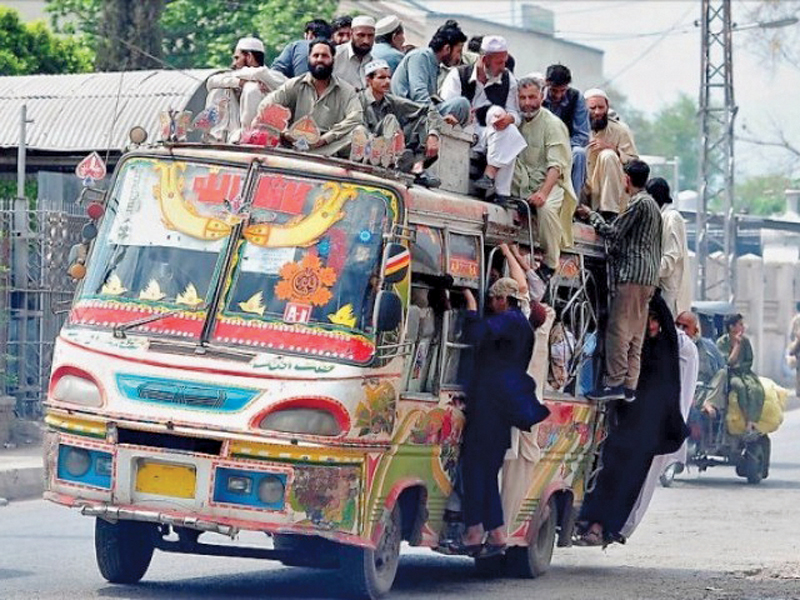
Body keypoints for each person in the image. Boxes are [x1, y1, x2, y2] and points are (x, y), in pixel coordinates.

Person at [576, 293, 688, 546]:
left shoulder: (666, 351)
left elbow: (670, 392)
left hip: (647, 430)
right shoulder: (635, 348)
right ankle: (589, 520)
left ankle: (603, 527)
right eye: (645, 318)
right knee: (607, 472)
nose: (649, 325)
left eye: (654, 319)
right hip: (625, 423)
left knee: (627, 480)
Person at [455, 278, 548, 557]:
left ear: (502, 300)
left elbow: (474, 333)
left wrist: (470, 306)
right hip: (501, 406)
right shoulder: (523, 325)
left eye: (492, 300)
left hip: (490, 405)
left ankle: (477, 530)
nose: (490, 305)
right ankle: (493, 533)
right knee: (485, 471)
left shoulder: (509, 321)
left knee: (475, 468)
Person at [576, 160, 662, 402]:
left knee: (618, 331)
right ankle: (629, 386)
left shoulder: (638, 203)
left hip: (632, 276)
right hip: (647, 279)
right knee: (636, 333)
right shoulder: (654, 206)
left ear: (626, 179)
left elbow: (613, 231)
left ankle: (614, 383)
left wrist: (591, 215)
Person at [621, 310, 698, 539]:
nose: (681, 330)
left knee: (645, 481)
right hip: (658, 424)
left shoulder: (685, 348)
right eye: (678, 324)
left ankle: (625, 527)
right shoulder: (672, 350)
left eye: (686, 327)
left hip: (667, 429)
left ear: (695, 332)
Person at [440, 35, 525, 201]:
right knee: (502, 124)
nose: (503, 67)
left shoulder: (508, 80)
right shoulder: (458, 76)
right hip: (460, 132)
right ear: (485, 59)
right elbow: (447, 109)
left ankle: (494, 183)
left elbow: (516, 114)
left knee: (507, 126)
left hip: (489, 133)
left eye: (504, 61)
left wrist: (509, 118)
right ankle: (497, 185)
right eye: (499, 62)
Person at [512, 76, 577, 279]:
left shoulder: (552, 124)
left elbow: (556, 166)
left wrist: (542, 193)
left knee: (547, 208)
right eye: (522, 98)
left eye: (532, 97)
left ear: (541, 97)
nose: (527, 103)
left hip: (551, 183)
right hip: (522, 182)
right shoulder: (516, 121)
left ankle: (550, 263)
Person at [256, 39, 363, 157]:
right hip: (293, 144)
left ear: (333, 60)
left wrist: (325, 139)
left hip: (327, 147)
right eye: (316, 55)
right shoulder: (294, 84)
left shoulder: (345, 90)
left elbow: (356, 117)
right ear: (309, 59)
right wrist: (285, 133)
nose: (320, 59)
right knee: (263, 124)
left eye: (325, 56)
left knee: (360, 132)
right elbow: (265, 106)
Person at [358, 59, 443, 183]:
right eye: (381, 78)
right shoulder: (359, 99)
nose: (387, 82)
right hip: (368, 150)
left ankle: (416, 168)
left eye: (389, 77)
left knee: (423, 120)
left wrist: (433, 135)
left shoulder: (392, 101)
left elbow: (429, 110)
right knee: (390, 120)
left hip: (392, 151)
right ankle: (394, 162)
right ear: (369, 80)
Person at [204, 37, 287, 143]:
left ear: (249, 56)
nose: (234, 63)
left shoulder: (274, 77)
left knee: (251, 89)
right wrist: (239, 83)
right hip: (234, 135)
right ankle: (216, 138)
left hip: (266, 137)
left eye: (237, 58)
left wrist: (249, 81)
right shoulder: (238, 77)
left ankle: (249, 137)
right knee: (218, 90)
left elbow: (260, 73)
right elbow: (211, 82)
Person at [390, 19, 470, 126]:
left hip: (418, 114)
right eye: (458, 51)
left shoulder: (433, 63)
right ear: (447, 48)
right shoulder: (421, 56)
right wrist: (437, 118)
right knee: (461, 104)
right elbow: (419, 95)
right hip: (407, 117)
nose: (459, 58)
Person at [583, 88, 638, 217]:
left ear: (607, 107)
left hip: (611, 193)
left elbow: (635, 164)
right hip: (585, 189)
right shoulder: (576, 130)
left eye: (601, 107)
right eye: (592, 108)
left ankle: (608, 212)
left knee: (607, 155)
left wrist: (613, 150)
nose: (597, 112)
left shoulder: (620, 130)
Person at [543, 64, 590, 195]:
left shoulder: (576, 98)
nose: (558, 95)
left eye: (562, 91)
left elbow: (582, 134)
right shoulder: (538, 95)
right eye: (554, 91)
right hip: (541, 145)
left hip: (567, 146)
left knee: (579, 153)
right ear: (547, 84)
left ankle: (573, 200)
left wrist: (561, 147)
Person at [647, 177, 691, 317]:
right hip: (662, 291)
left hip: (671, 292)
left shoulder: (672, 218)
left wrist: (646, 273)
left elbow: (670, 258)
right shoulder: (662, 217)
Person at [717, 313, 765, 430]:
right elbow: (728, 362)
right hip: (729, 375)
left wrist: (742, 367)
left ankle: (752, 420)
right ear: (731, 327)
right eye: (740, 324)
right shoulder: (722, 342)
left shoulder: (746, 341)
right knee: (740, 387)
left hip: (745, 373)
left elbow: (749, 360)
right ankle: (746, 418)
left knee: (756, 389)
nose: (743, 327)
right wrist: (737, 344)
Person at [333, 15, 375, 89]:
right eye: (361, 35)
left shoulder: (375, 61)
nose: (366, 41)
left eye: (370, 36)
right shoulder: (335, 56)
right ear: (351, 34)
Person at [787, 301, 800, 396]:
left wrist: (794, 343)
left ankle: (798, 390)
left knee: (798, 369)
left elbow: (790, 334)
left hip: (798, 346)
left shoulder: (795, 319)